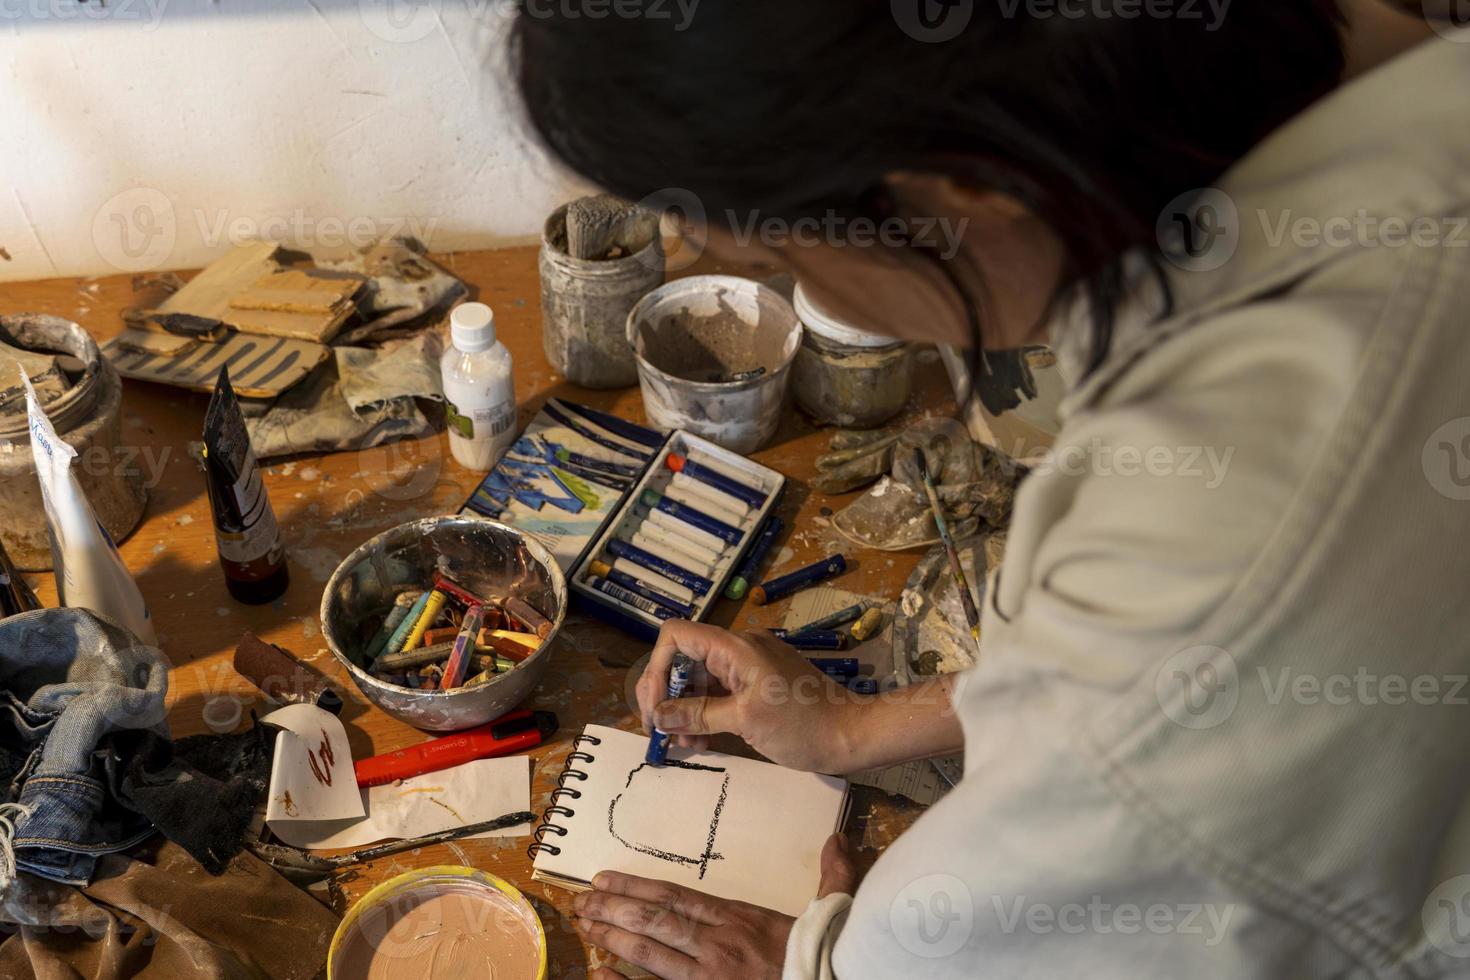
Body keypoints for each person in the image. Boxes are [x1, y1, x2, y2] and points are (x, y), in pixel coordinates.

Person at [511, 2, 1470, 976]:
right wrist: (855, 726)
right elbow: (1089, 681)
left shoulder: (1228, 534)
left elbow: (1020, 917)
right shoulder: (1341, 70)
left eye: (774, 262)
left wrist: (818, 960)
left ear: (965, 182)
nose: (819, 304)